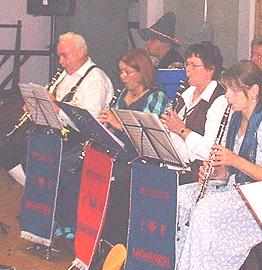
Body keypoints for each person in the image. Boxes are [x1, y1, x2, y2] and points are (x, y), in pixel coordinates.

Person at [154, 60, 262, 270]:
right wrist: (214, 172)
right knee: (181, 197)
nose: (226, 97)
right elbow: (228, 172)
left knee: (206, 210)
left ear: (252, 92)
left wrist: (233, 161)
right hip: (236, 189)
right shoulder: (236, 117)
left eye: (231, 92)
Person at [1, 32, 114, 186]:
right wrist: (36, 106)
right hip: (55, 131)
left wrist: (55, 107)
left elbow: (89, 126)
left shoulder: (96, 80)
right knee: (6, 145)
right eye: (59, 56)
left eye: (65, 56)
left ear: (80, 52)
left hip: (77, 140)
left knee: (21, 152)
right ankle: (34, 189)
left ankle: (40, 191)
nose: (61, 62)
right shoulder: (65, 74)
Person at [98, 49, 169, 245]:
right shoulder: (122, 95)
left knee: (118, 179)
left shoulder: (157, 98)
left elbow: (148, 139)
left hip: (142, 159)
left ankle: (117, 241)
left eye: (127, 72)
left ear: (142, 72)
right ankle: (98, 236)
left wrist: (118, 125)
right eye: (121, 72)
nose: (122, 77)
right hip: (122, 153)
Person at [160, 41, 229, 184]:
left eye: (194, 65)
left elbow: (210, 150)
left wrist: (181, 130)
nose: (187, 70)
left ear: (210, 69)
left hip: (199, 175)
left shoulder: (219, 100)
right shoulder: (185, 94)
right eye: (187, 64)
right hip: (175, 167)